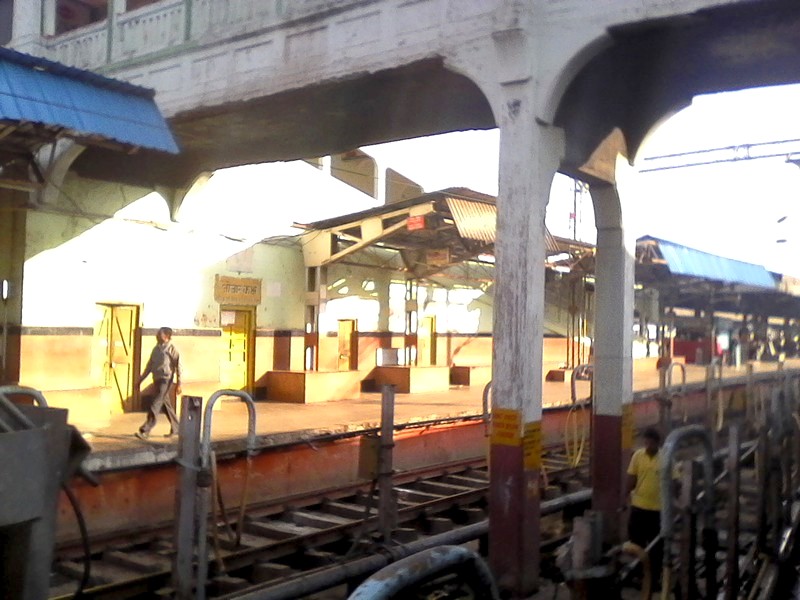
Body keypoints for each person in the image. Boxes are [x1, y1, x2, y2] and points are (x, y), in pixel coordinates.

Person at [626, 427, 663, 584]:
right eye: (646, 442)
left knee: (656, 545)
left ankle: (654, 578)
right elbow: (631, 478)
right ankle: (637, 573)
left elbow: (674, 482)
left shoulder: (666, 458)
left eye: (651, 442)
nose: (648, 445)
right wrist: (625, 496)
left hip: (657, 510)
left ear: (657, 443)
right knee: (636, 543)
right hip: (639, 507)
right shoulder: (638, 456)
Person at [135, 327, 182, 440]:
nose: (157, 336)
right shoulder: (156, 349)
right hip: (156, 379)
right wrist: (141, 380)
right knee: (166, 405)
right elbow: (149, 366)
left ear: (166, 336)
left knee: (155, 404)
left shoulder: (171, 349)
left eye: (160, 334)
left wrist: (179, 383)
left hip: (166, 380)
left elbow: (179, 366)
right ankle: (176, 427)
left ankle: (145, 430)